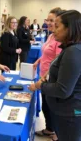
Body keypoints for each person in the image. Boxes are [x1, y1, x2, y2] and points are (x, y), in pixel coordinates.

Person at [29, 10, 81, 141]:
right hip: (68, 111)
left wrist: (41, 85)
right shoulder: (70, 48)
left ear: (70, 28)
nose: (53, 30)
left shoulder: (73, 52)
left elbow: (63, 90)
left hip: (70, 113)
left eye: (57, 26)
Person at [33, 7, 62, 141]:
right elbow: (46, 52)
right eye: (48, 20)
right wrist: (38, 60)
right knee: (45, 105)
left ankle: (55, 132)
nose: (49, 23)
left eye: (52, 20)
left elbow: (57, 63)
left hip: (50, 78)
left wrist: (43, 79)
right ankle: (49, 128)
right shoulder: (51, 35)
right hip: (43, 74)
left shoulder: (59, 38)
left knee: (52, 107)